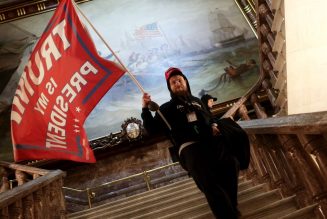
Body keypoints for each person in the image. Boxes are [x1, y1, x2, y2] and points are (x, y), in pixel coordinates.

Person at [141, 67, 240, 218]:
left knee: (231, 165)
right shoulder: (165, 109)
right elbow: (152, 129)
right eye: (173, 82)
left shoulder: (198, 102)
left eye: (180, 80)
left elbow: (210, 118)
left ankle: (231, 207)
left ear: (186, 82)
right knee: (210, 184)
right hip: (191, 150)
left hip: (212, 144)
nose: (177, 83)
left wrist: (214, 125)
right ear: (170, 88)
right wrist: (145, 109)